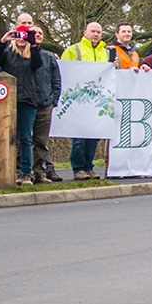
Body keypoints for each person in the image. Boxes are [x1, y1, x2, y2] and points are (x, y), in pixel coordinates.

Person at [0, 22, 44, 185]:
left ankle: (26, 173)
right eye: (19, 35)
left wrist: (33, 45)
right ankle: (7, 170)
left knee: (26, 138)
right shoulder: (7, 54)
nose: (22, 39)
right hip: (8, 102)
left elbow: (37, 64)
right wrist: (2, 41)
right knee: (7, 137)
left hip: (27, 100)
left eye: (25, 36)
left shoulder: (32, 55)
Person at [62, 21, 109, 181]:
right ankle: (78, 168)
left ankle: (89, 167)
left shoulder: (105, 52)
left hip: (97, 101)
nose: (96, 34)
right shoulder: (73, 50)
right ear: (85, 32)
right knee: (79, 137)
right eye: (93, 31)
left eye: (99, 32)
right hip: (79, 100)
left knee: (94, 135)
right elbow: (65, 72)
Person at [32, 28, 61, 183]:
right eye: (35, 33)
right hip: (26, 104)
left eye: (40, 34)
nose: (38, 36)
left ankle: (39, 172)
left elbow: (56, 81)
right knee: (22, 141)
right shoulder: (20, 55)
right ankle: (23, 172)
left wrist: (52, 101)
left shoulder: (49, 57)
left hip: (44, 104)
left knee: (41, 142)